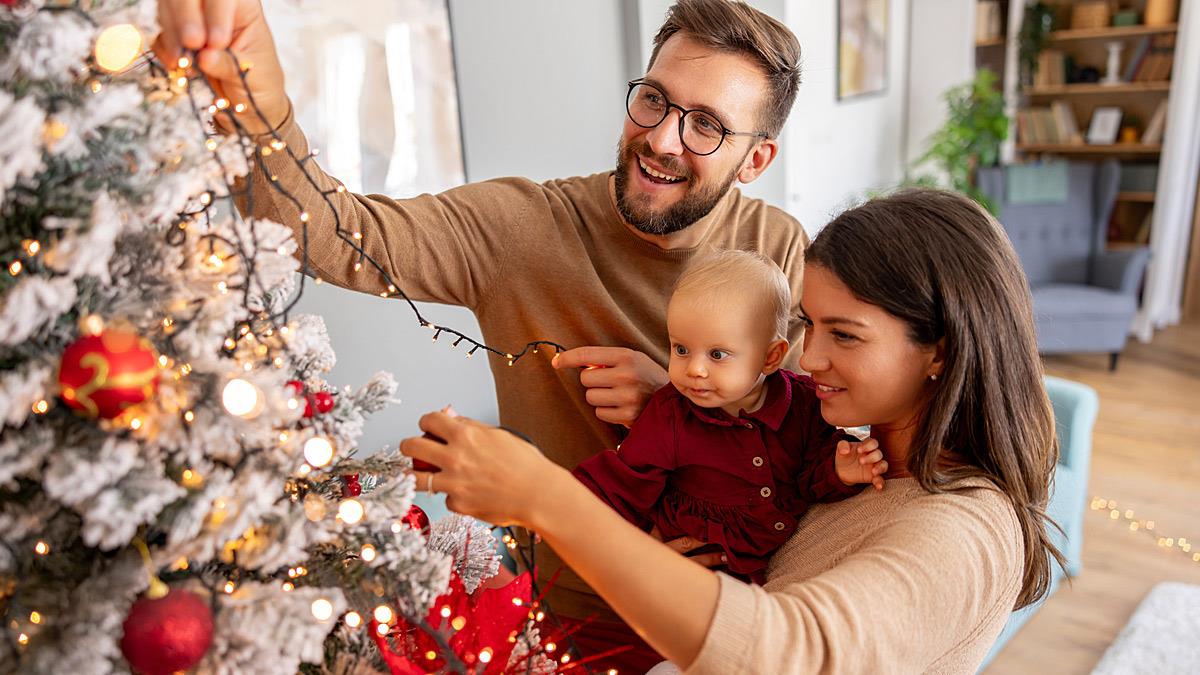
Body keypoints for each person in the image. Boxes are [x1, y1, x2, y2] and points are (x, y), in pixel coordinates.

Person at [155, 0, 807, 662]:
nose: (664, 139)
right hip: (560, 617)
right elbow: (330, 234)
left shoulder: (776, 249)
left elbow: (807, 433)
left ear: (756, 159)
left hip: (716, 617)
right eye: (654, 101)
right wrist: (255, 93)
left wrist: (674, 397)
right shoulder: (524, 228)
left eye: (706, 126)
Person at [401, 189, 1067, 674]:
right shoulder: (860, 448)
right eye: (811, 326)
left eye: (845, 335)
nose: (809, 359)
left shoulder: (961, 529)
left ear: (941, 350)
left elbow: (788, 651)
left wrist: (544, 497)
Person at [573, 250, 888, 585]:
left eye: (717, 354)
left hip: (769, 568)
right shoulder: (672, 414)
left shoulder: (805, 403)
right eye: (681, 349)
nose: (694, 369)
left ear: (770, 357)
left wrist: (841, 470)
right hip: (694, 561)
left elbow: (812, 473)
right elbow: (624, 481)